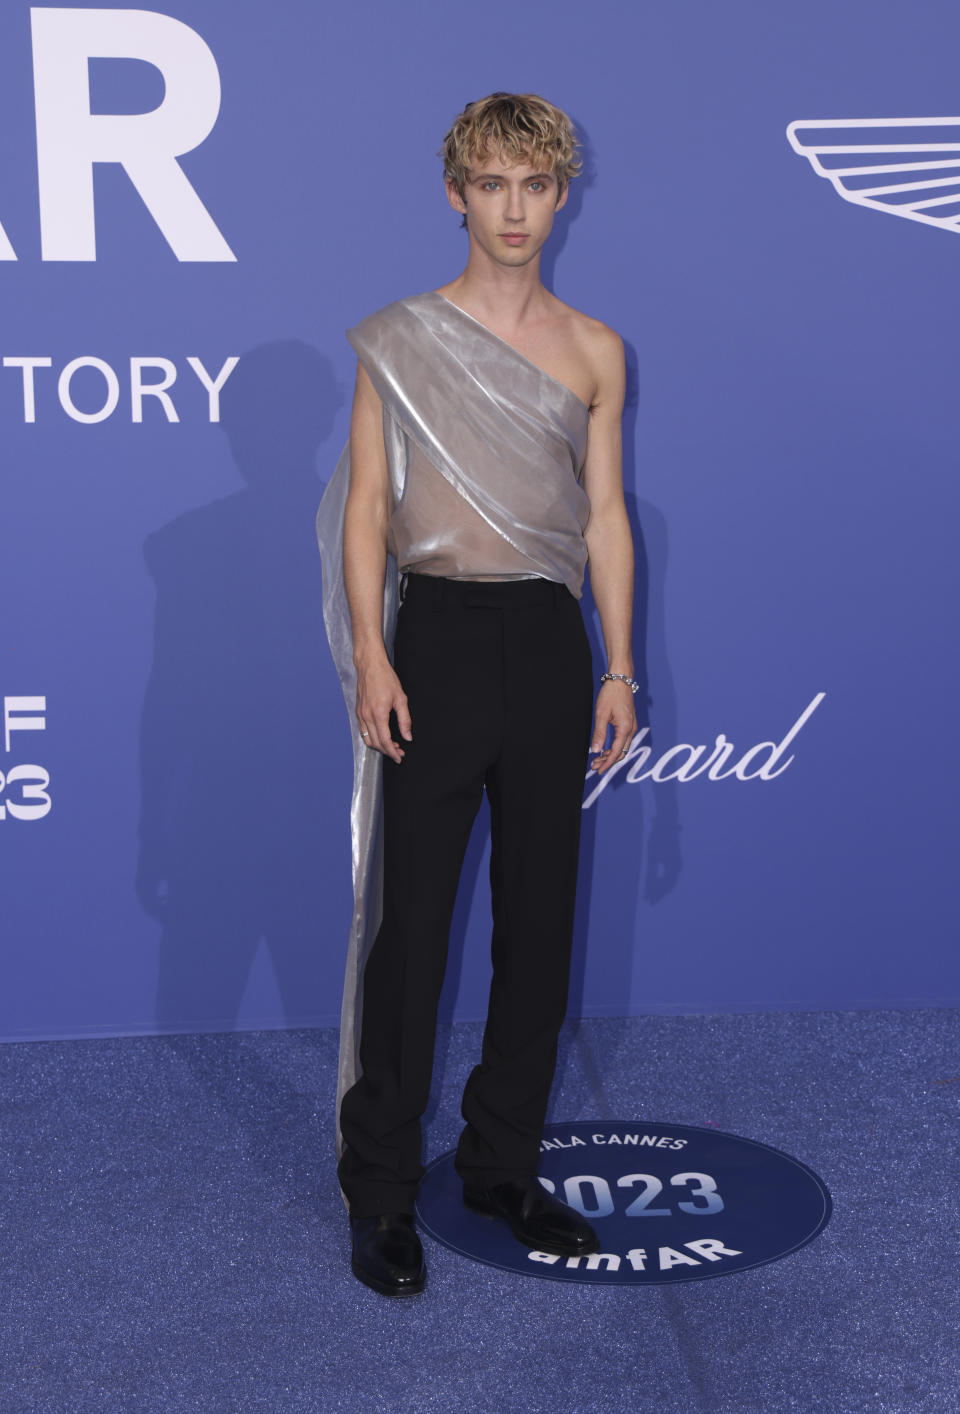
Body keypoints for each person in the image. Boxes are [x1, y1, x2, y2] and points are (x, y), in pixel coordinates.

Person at [316, 92, 638, 1297]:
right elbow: (362, 510)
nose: (513, 209)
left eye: (535, 185)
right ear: (457, 193)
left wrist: (618, 662)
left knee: (538, 927)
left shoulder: (598, 348)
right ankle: (382, 1191)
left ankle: (503, 1167)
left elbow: (604, 517)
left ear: (560, 195)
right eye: (492, 184)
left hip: (552, 645)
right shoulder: (396, 338)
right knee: (410, 942)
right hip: (436, 639)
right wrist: (375, 656)